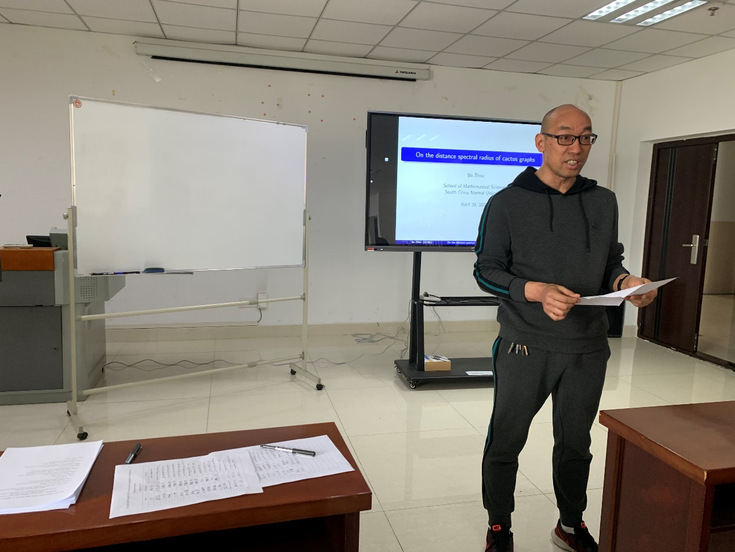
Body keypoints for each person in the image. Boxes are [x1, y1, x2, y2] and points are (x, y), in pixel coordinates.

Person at [473, 104, 657, 552]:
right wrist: (534, 290)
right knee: (506, 440)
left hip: (587, 347)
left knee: (576, 444)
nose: (576, 147)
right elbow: (486, 270)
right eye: (565, 136)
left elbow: (610, 264)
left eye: (585, 137)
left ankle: (570, 524)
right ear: (542, 142)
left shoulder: (603, 200)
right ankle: (499, 526)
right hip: (524, 345)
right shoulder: (505, 203)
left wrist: (627, 284)